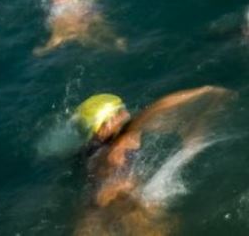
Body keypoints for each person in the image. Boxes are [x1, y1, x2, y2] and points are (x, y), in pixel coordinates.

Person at [72, 86, 233, 235]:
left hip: (93, 208)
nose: (125, 114)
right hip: (123, 202)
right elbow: (157, 109)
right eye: (120, 111)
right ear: (107, 124)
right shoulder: (122, 140)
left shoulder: (89, 150)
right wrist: (205, 91)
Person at [32, 0, 123, 54]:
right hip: (83, 4)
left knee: (61, 35)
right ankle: (117, 40)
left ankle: (47, 48)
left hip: (65, 9)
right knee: (100, 23)